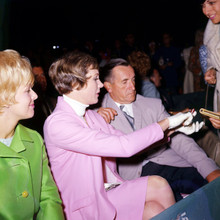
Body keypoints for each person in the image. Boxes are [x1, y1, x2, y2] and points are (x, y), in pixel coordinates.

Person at [43, 51, 201, 220]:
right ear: (75, 83)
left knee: (154, 210)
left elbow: (133, 143)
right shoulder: (58, 124)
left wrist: (173, 129)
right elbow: (124, 146)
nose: (101, 85)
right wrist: (167, 122)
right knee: (158, 185)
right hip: (85, 206)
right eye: (95, 78)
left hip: (110, 191)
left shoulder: (91, 116)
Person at [98, 58, 220, 202]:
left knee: (208, 189)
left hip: (169, 164)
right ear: (108, 86)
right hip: (135, 177)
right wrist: (94, 120)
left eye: (133, 80)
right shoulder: (98, 115)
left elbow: (180, 140)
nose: (132, 87)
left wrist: (209, 169)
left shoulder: (152, 105)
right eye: (125, 82)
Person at [0, 49, 65, 220]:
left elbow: (49, 197)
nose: (35, 95)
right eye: (27, 90)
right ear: (4, 95)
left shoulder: (34, 139)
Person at [201, 0, 220, 136]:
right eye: (203, 5)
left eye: (212, 2)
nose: (206, 11)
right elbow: (212, 57)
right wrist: (211, 69)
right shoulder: (214, 27)